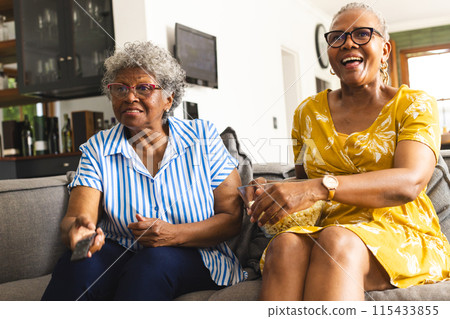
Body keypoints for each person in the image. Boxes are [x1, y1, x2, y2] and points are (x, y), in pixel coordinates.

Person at [248, 2, 450, 301]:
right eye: (338, 37)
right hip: (327, 227)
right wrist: (274, 190)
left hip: (399, 229)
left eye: (362, 34)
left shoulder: (414, 104)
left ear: (385, 50)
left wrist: (319, 187)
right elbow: (306, 192)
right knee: (285, 245)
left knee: (337, 240)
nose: (348, 43)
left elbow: (410, 182)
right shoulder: (307, 112)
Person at [41, 41, 246, 300]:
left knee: (151, 264)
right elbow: (78, 217)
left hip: (196, 252)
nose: (129, 97)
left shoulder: (202, 137)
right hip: (119, 250)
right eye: (120, 89)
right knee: (78, 264)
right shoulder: (98, 147)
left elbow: (231, 217)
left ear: (168, 99)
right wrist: (79, 233)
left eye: (143, 88)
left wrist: (173, 234)